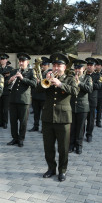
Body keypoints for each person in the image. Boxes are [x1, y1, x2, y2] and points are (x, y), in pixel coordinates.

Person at [37, 53, 79, 182]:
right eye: (54, 65)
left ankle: (62, 170)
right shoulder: (48, 77)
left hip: (63, 118)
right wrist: (46, 81)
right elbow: (37, 91)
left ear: (64, 67)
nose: (56, 67)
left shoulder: (70, 79)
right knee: (48, 146)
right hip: (48, 117)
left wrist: (60, 84)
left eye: (59, 65)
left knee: (63, 147)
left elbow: (75, 91)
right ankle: (51, 168)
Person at [7, 53, 37, 147]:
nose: (21, 63)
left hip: (24, 100)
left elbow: (34, 84)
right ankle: (14, 138)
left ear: (27, 62)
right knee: (13, 121)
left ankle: (21, 139)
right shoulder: (14, 71)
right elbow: (7, 83)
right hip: (13, 99)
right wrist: (11, 80)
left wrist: (22, 78)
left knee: (23, 121)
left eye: (23, 61)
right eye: (20, 61)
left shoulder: (31, 72)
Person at [69, 60, 92, 154]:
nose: (77, 70)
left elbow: (90, 89)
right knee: (72, 127)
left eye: (79, 68)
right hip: (72, 106)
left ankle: (79, 146)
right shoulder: (71, 78)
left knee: (80, 128)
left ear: (83, 69)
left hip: (82, 107)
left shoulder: (87, 78)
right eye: (76, 68)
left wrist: (79, 83)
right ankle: (71, 145)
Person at [29, 57, 50, 133]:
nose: (42, 66)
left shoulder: (50, 73)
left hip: (44, 96)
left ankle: (43, 127)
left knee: (44, 114)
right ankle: (35, 126)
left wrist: (42, 81)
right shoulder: (37, 72)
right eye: (42, 65)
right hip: (36, 95)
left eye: (44, 65)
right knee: (36, 113)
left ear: (48, 65)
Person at [84, 58, 102, 143]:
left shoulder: (98, 76)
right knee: (81, 120)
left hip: (91, 100)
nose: (89, 67)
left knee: (90, 120)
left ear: (95, 67)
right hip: (82, 101)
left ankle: (89, 135)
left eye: (91, 65)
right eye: (88, 65)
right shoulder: (83, 74)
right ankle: (80, 134)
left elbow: (98, 86)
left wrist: (89, 83)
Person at [0, 53, 13, 129]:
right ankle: (0, 122)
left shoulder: (10, 69)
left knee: (5, 109)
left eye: (3, 59)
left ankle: (5, 122)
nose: (2, 60)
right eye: (1, 59)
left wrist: (5, 79)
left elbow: (11, 80)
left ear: (6, 60)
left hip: (6, 91)